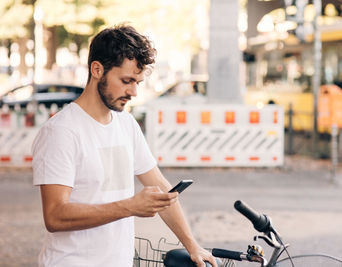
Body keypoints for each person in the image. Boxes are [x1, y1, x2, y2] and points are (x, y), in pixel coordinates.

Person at [32, 24, 217, 267]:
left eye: (138, 82)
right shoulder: (61, 132)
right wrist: (130, 206)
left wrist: (191, 244)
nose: (134, 92)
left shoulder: (125, 123)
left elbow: (162, 189)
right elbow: (55, 216)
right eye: (126, 80)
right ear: (97, 69)